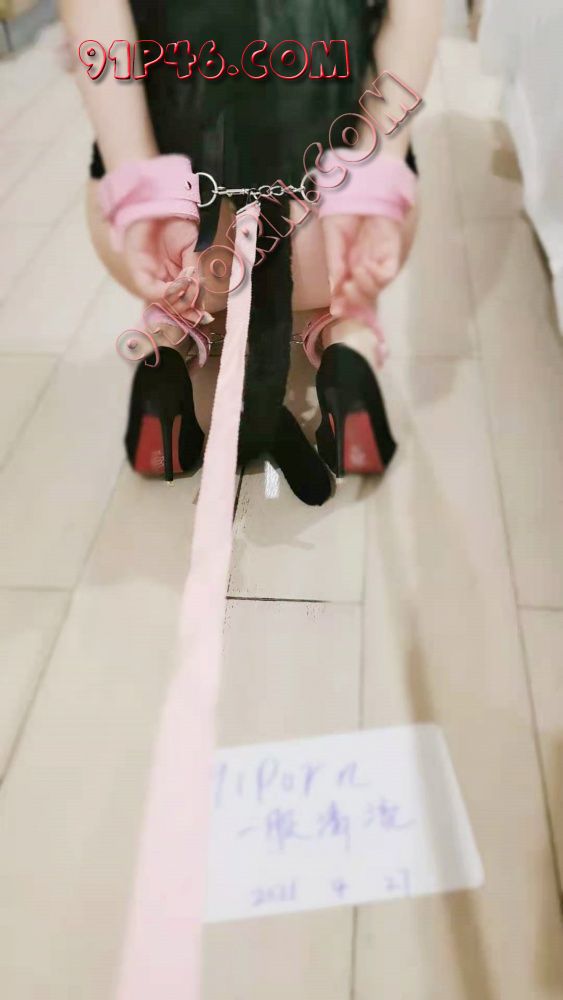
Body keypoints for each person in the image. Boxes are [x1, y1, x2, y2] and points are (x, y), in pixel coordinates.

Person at [60, 0, 442, 502]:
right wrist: (375, 181)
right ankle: (346, 342)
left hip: (184, 243)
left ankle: (167, 338)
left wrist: (144, 191)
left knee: (160, 100)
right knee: (359, 113)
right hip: (328, 231)